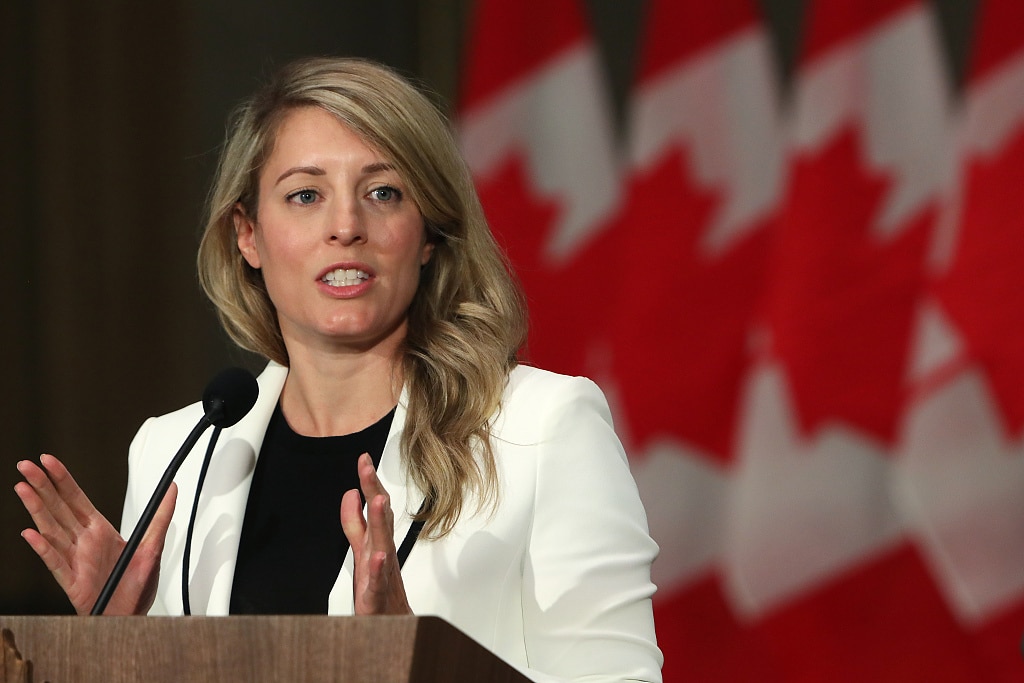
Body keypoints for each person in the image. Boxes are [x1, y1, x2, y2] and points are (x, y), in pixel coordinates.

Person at [15, 57, 662, 682]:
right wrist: (117, 650)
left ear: (429, 231)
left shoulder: (542, 426)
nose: (347, 225)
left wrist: (420, 660)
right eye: (305, 195)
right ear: (248, 234)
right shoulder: (178, 451)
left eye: (383, 192)